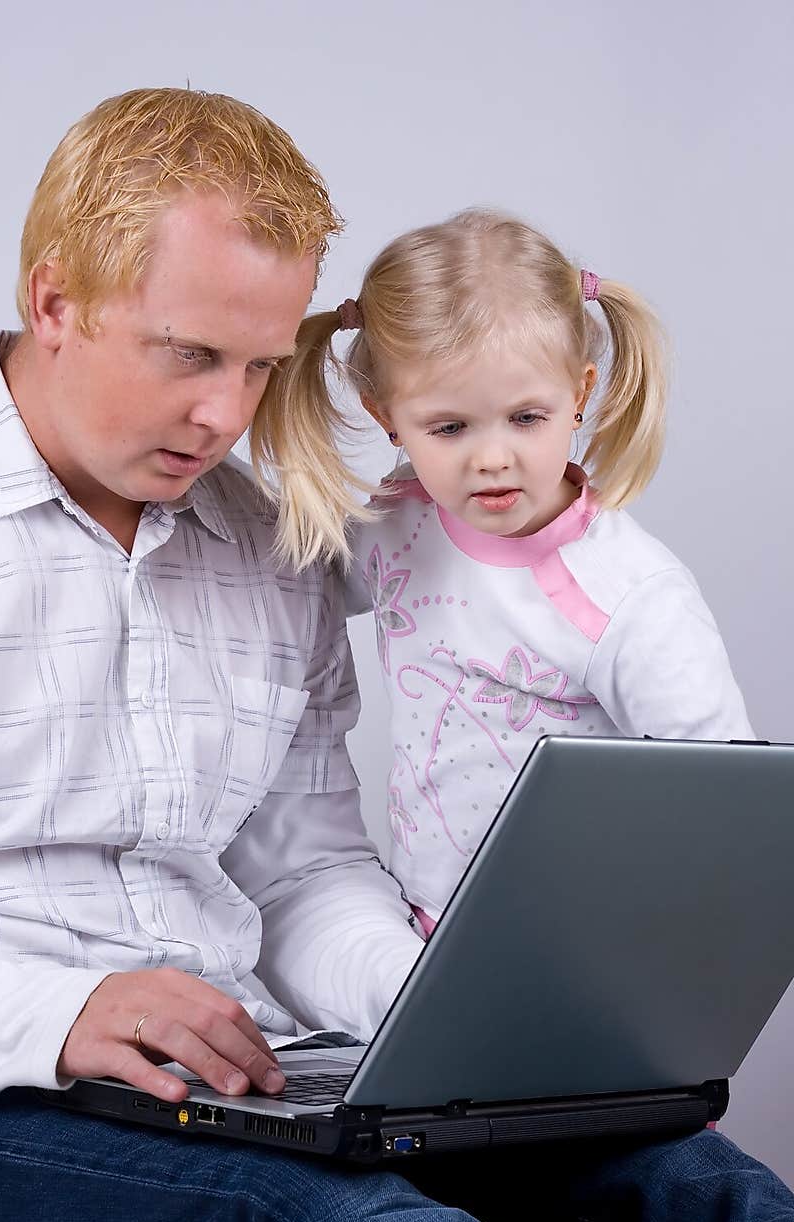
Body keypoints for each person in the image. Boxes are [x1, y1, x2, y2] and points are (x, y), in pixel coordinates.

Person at [0, 91, 792, 1222]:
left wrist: (428, 1014)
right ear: (54, 302)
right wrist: (56, 1009)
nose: (229, 418)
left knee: (704, 1200)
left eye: (263, 366)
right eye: (191, 354)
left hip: (251, 1071)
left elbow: (300, 876)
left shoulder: (269, 547)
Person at [263, 210, 754, 932]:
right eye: (450, 427)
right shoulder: (402, 521)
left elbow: (727, 792)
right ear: (387, 416)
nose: (492, 458)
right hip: (428, 925)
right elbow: (289, 592)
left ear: (579, 395)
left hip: (583, 934)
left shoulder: (629, 597)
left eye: (526, 418)